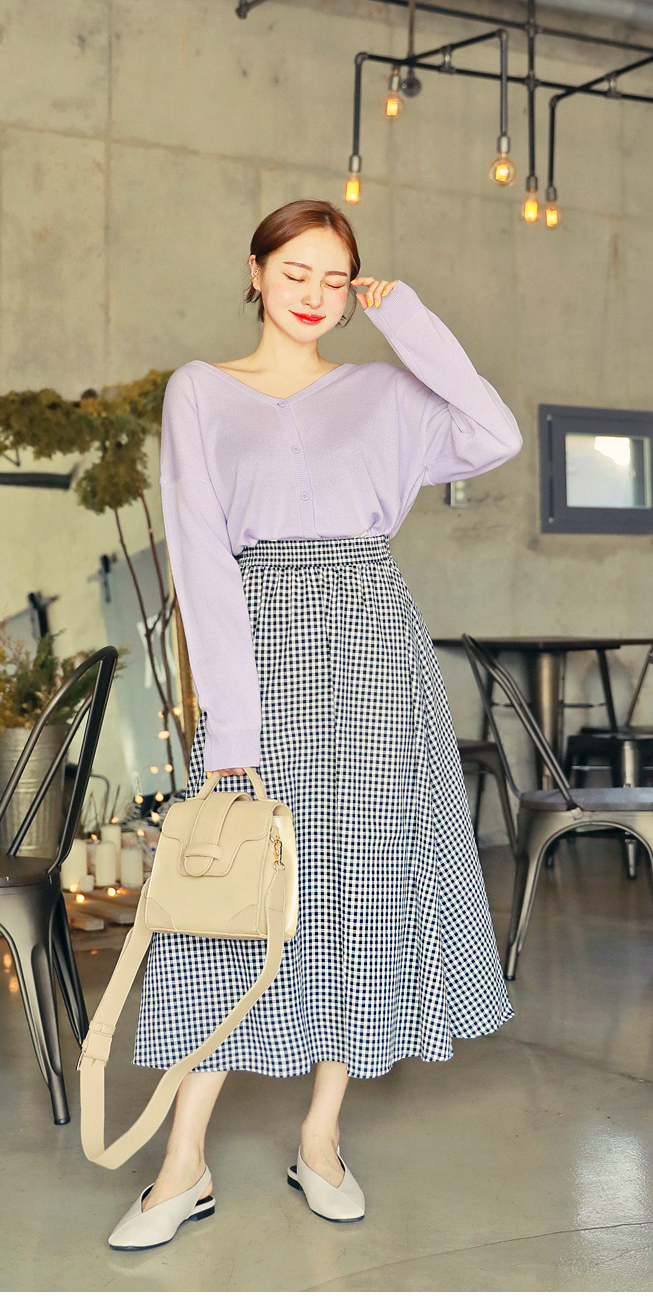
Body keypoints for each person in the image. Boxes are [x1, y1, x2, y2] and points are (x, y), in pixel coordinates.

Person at [107, 199, 523, 1250]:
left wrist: (405, 316)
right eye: (295, 270)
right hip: (261, 648)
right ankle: (182, 1161)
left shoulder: (384, 390)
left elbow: (494, 433)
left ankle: (322, 1136)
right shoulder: (201, 391)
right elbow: (198, 552)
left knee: (362, 885)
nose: (313, 293)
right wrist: (232, 731)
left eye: (335, 279)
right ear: (255, 271)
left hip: (375, 646)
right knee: (225, 899)